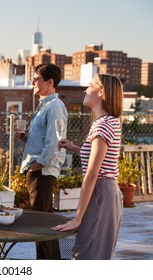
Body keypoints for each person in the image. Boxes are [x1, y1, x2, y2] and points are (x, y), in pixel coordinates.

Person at [52, 74, 123, 260]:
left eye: (90, 85)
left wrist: (77, 217)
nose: (85, 89)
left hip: (100, 192)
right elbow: (99, 157)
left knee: (88, 254)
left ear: (101, 92)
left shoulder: (102, 127)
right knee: (94, 251)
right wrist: (74, 148)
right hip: (105, 192)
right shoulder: (106, 122)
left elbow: (92, 174)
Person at [16, 63, 67, 259]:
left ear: (50, 82)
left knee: (41, 223)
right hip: (38, 169)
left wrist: (38, 165)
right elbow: (44, 138)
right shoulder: (45, 105)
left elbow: (54, 141)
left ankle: (47, 265)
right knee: (44, 222)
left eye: (36, 78)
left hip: (42, 172)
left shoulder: (55, 106)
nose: (33, 82)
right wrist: (26, 137)